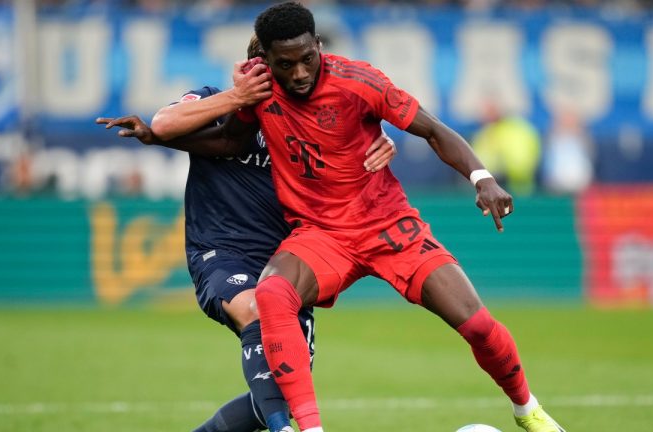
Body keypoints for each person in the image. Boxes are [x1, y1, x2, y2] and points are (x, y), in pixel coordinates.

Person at [214, 3, 567, 432]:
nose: (301, 73)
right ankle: (310, 429)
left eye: (308, 59)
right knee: (271, 293)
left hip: (386, 224)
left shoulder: (357, 81)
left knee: (476, 323)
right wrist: (162, 132)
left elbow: (434, 130)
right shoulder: (257, 90)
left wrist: (482, 178)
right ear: (267, 60)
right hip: (322, 235)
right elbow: (230, 141)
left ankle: (527, 409)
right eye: (286, 64)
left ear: (319, 46)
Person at [96, 35, 397, 432]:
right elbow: (165, 124)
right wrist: (237, 98)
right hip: (221, 251)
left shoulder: (313, 120)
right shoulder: (212, 101)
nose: (290, 77)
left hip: (290, 262)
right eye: (275, 68)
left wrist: (379, 144)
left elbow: (356, 159)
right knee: (253, 308)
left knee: (286, 384)